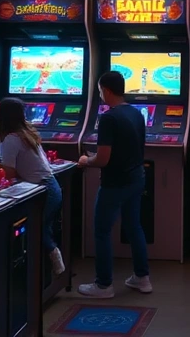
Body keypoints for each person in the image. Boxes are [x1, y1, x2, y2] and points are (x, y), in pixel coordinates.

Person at [77, 71, 151, 298]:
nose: (100, 96)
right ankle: (142, 278)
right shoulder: (136, 113)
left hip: (115, 183)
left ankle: (103, 285)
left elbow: (103, 159)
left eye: (100, 92)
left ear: (107, 90)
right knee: (134, 227)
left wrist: (85, 160)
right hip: (136, 178)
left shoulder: (109, 118)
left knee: (101, 231)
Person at [0, 97, 66, 276]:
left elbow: (9, 173)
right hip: (50, 187)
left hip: (42, 190)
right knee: (43, 227)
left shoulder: (10, 139)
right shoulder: (26, 133)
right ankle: (46, 275)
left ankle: (50, 266)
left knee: (35, 228)